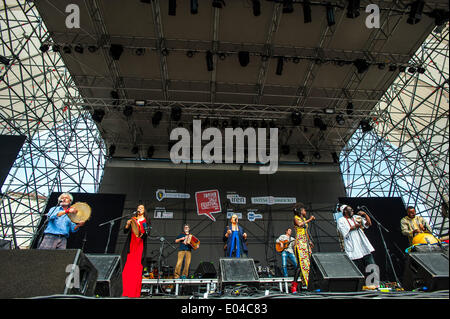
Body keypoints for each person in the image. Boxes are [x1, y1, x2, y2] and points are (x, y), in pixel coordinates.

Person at [337, 205, 376, 276]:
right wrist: (356, 226)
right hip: (353, 247)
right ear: (345, 211)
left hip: (363, 245)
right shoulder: (341, 220)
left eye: (352, 209)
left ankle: (374, 284)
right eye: (350, 209)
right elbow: (344, 231)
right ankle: (356, 286)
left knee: (372, 267)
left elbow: (368, 224)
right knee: (354, 271)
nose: (352, 210)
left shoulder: (356, 217)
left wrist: (365, 214)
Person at [121, 204, 149, 298]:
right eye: (138, 208)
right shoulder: (133, 218)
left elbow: (146, 234)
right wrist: (127, 224)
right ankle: (125, 292)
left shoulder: (146, 221)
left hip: (139, 245)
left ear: (144, 211)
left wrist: (142, 232)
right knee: (127, 268)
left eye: (141, 208)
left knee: (136, 269)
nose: (139, 209)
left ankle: (134, 293)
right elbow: (125, 231)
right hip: (131, 245)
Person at [291, 203, 315, 293]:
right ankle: (294, 285)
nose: (305, 211)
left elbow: (306, 231)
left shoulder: (304, 219)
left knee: (308, 263)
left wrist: (309, 241)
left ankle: (309, 283)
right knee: (300, 265)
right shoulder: (296, 218)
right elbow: (300, 225)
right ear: (300, 211)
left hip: (305, 242)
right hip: (300, 243)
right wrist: (310, 219)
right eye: (304, 210)